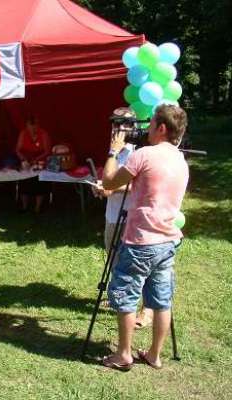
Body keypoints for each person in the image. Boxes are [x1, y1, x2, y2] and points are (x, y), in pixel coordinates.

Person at [101, 104, 189, 371]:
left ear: (162, 128)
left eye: (151, 124)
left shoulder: (144, 155)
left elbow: (108, 182)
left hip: (141, 240)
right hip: (168, 239)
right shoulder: (180, 159)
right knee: (161, 300)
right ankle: (154, 354)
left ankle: (124, 354)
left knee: (126, 296)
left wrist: (113, 151)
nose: (147, 129)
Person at [96, 107, 153, 329]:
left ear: (132, 127)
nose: (116, 129)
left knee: (139, 263)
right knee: (113, 256)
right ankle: (119, 297)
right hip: (113, 213)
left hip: (134, 215)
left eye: (121, 125)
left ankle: (146, 309)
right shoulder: (115, 149)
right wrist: (101, 187)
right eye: (114, 124)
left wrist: (111, 189)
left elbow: (142, 185)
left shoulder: (140, 151)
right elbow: (110, 177)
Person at [15, 115, 51, 214]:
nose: (33, 128)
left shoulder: (43, 134)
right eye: (30, 126)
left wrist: (36, 159)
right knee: (24, 181)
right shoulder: (23, 133)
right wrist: (23, 159)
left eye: (35, 125)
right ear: (27, 125)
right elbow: (18, 150)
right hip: (26, 160)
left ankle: (37, 208)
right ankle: (24, 207)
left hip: (40, 160)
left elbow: (47, 151)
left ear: (38, 125)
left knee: (39, 182)